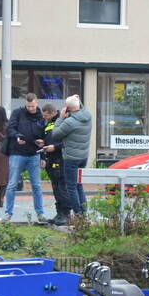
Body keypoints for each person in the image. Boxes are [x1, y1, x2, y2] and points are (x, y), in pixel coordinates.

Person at [42, 94, 91, 222]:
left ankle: (78, 214)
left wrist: (60, 118)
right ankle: (83, 212)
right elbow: (81, 108)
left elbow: (56, 134)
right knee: (79, 185)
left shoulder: (69, 122)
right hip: (83, 157)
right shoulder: (88, 116)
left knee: (71, 187)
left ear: (68, 108)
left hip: (71, 158)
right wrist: (77, 100)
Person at [3, 93, 47, 222]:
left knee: (37, 185)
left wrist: (42, 148)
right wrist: (17, 136)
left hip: (34, 153)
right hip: (17, 152)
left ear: (37, 103)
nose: (31, 109)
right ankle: (8, 213)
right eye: (28, 106)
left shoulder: (40, 116)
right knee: (12, 184)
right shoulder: (18, 113)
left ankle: (40, 213)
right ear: (25, 104)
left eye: (33, 106)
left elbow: (45, 134)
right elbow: (10, 129)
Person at [39, 103, 69, 225]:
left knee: (61, 188)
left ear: (52, 113)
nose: (44, 117)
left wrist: (54, 148)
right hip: (50, 158)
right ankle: (59, 213)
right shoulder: (49, 123)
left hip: (59, 158)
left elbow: (66, 142)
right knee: (56, 188)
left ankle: (66, 214)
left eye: (46, 115)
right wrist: (43, 144)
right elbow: (47, 139)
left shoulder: (61, 122)